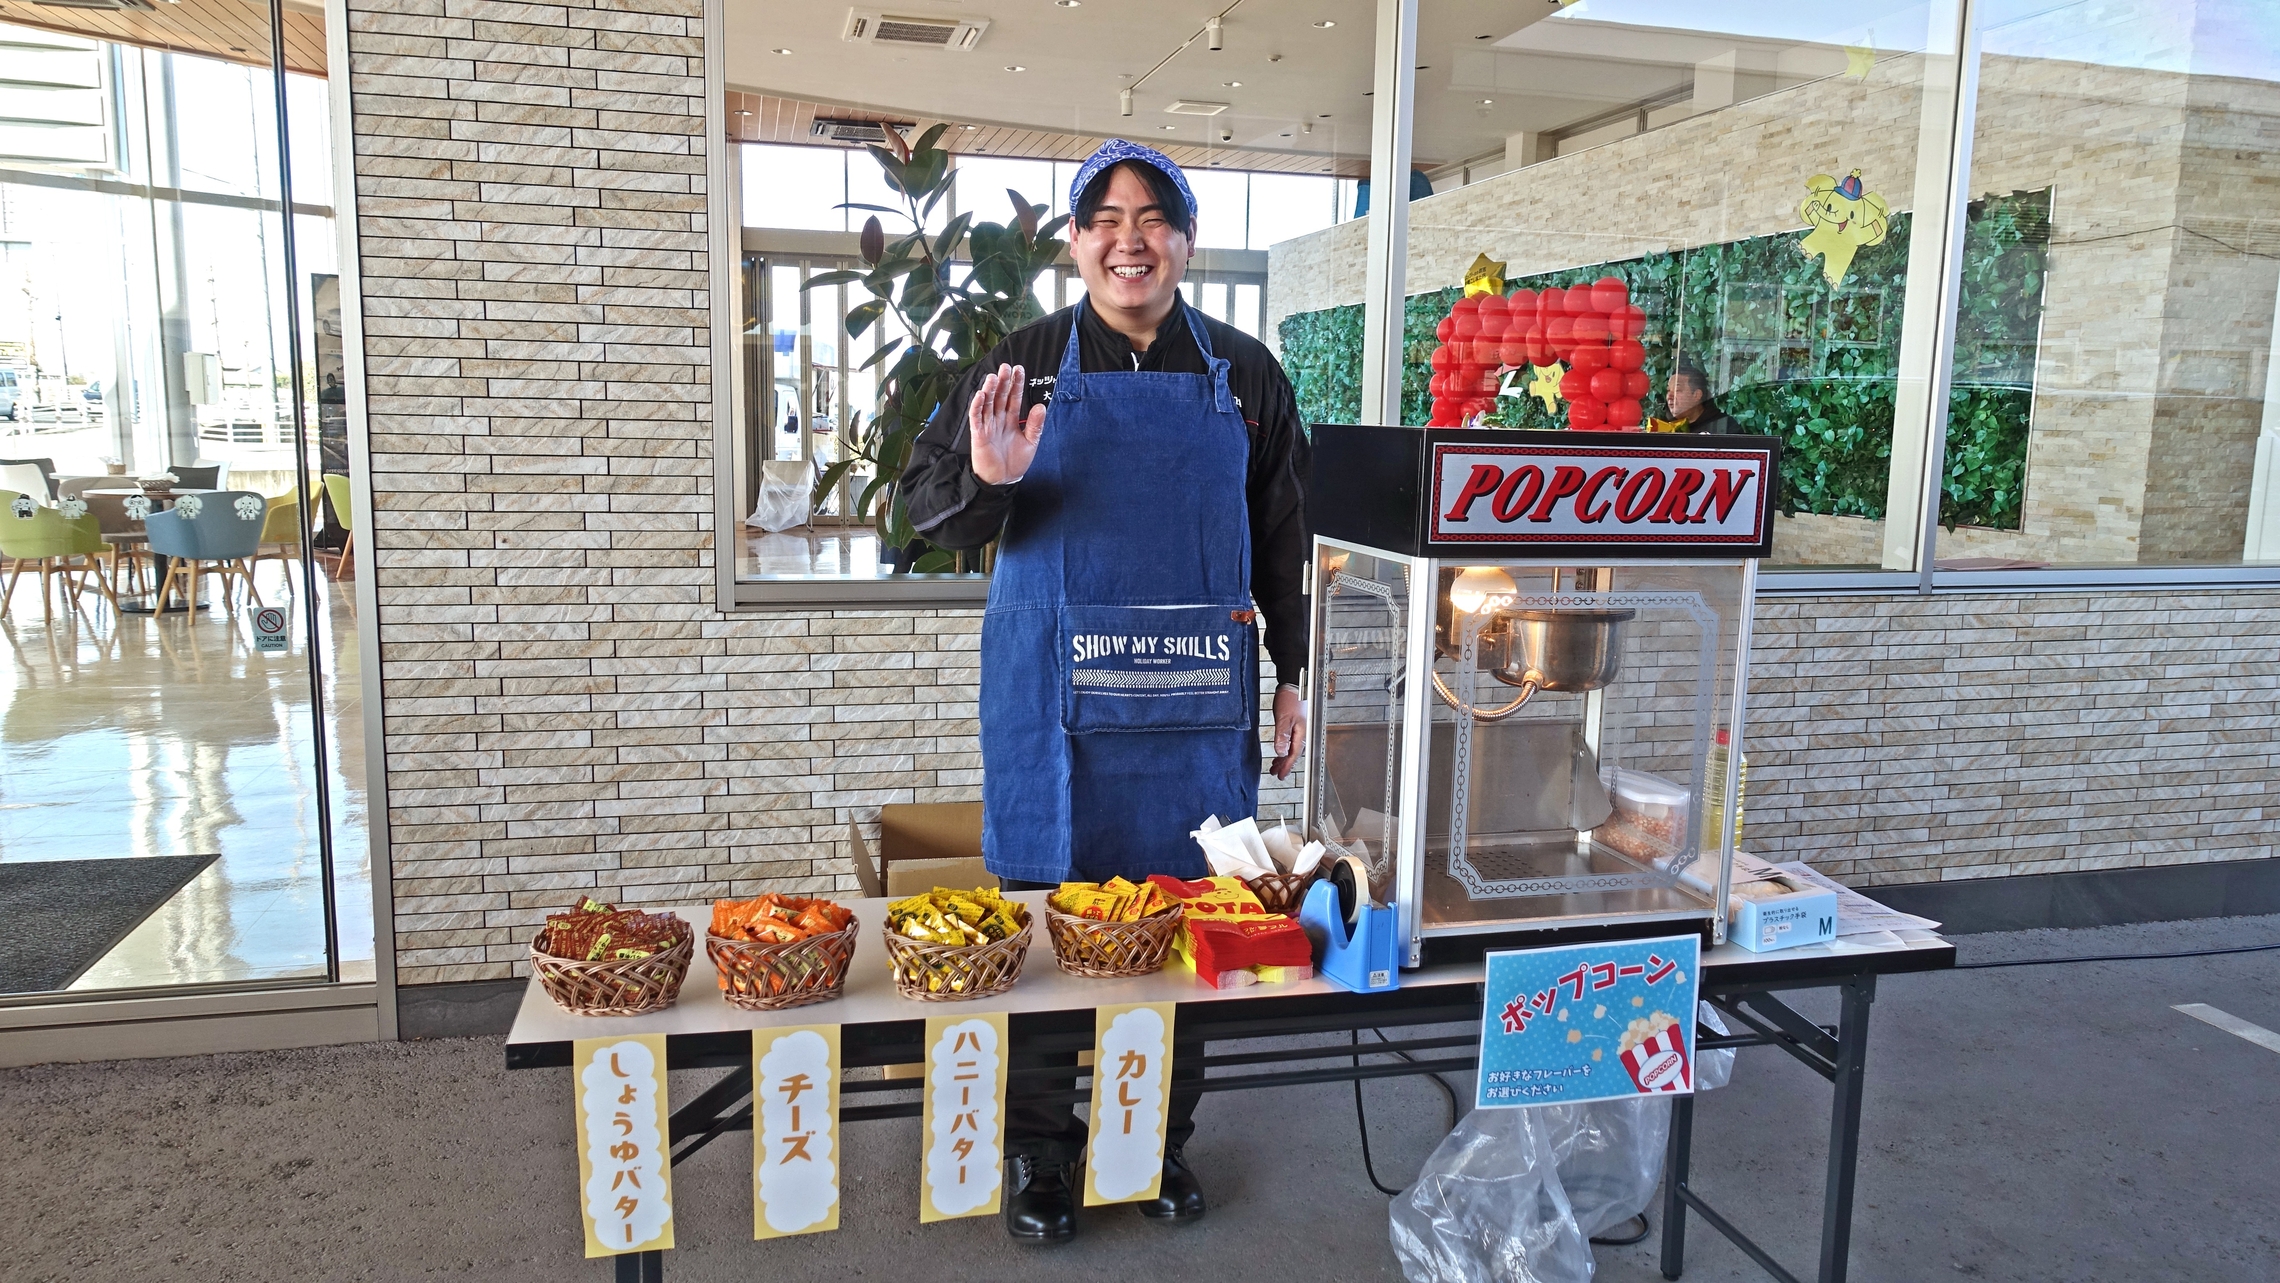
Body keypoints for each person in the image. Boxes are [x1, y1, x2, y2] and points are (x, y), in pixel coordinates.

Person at [900, 139, 1310, 1245]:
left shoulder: (1247, 374)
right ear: (1076, 243)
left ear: (1188, 240)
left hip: (1196, 702)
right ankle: (1040, 1146)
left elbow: (1284, 533)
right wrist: (988, 480)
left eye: (1153, 218)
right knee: (1046, 923)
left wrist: (1295, 674)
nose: (1131, 240)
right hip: (1052, 701)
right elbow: (926, 508)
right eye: (1107, 220)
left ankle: (1152, 1139)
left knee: (1188, 911)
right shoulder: (1023, 363)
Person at [1665, 360, 1739, 434]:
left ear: (1697, 395)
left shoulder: (1724, 426)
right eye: (1668, 390)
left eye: (1677, 390)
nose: (1669, 396)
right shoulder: (1664, 426)